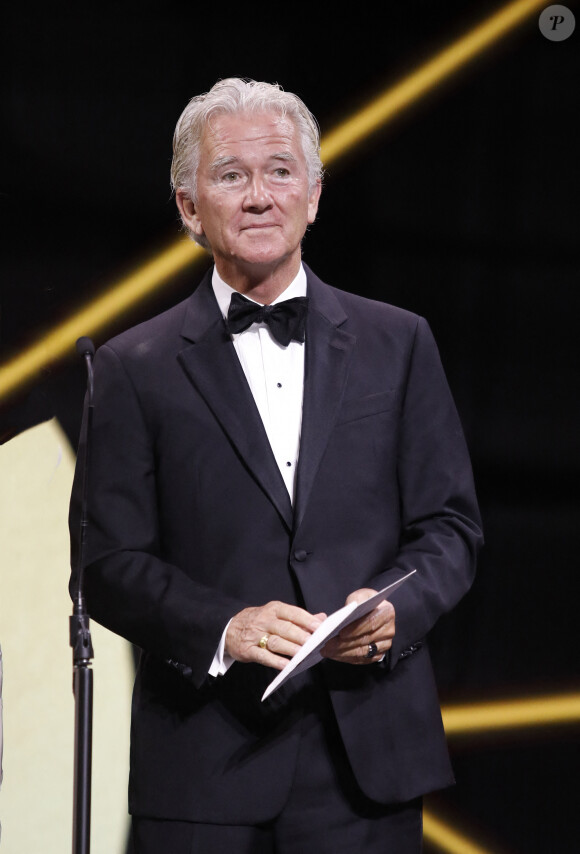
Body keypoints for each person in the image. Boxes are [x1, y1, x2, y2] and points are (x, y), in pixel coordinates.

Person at [70, 78, 483, 853]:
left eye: (281, 171)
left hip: (368, 764)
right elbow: (105, 561)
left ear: (316, 194)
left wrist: (399, 610)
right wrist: (225, 627)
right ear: (190, 209)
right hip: (203, 768)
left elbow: (451, 526)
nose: (260, 196)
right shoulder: (132, 368)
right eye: (231, 175)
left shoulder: (400, 342)